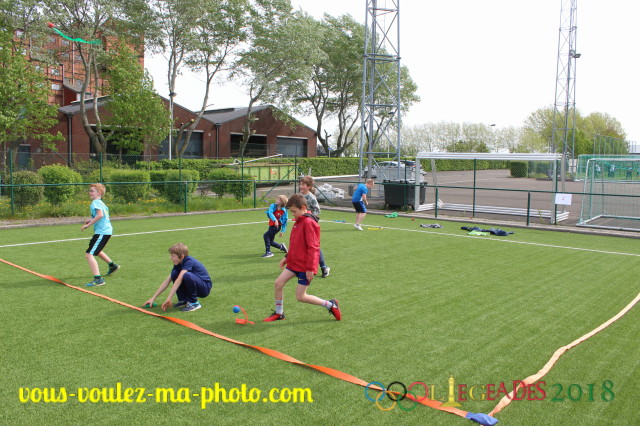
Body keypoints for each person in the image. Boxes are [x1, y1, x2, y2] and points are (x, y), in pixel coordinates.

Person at [263, 194, 341, 322]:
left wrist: (310, 269)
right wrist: (287, 257)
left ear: (303, 208)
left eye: (294, 211)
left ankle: (331, 305)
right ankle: (279, 313)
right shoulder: (298, 221)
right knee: (278, 283)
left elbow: (313, 248)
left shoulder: (309, 223)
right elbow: (296, 244)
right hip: (294, 263)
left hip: (305, 267)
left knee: (301, 297)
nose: (293, 215)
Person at [144, 243, 212, 312]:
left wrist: (169, 298)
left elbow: (178, 280)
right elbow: (167, 281)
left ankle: (194, 303)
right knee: (174, 273)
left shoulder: (188, 261)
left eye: (173, 256)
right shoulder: (178, 263)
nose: (171, 258)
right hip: (197, 285)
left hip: (204, 288)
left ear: (181, 256)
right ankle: (183, 300)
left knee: (187, 275)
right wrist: (153, 298)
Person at [81, 183, 119, 287]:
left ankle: (98, 279)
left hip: (102, 231)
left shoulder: (95, 202)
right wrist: (91, 220)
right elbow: (102, 216)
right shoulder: (101, 203)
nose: (89, 192)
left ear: (99, 193)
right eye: (89, 191)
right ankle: (112, 266)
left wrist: (88, 225)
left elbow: (100, 215)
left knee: (89, 254)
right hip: (106, 231)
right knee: (97, 251)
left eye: (92, 191)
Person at [299, 176, 330, 278]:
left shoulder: (311, 197)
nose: (301, 186)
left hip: (310, 225)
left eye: (303, 184)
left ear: (308, 186)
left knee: (313, 246)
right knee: (302, 245)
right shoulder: (300, 195)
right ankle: (302, 266)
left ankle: (324, 267)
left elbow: (317, 210)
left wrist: (309, 216)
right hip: (302, 224)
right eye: (300, 184)